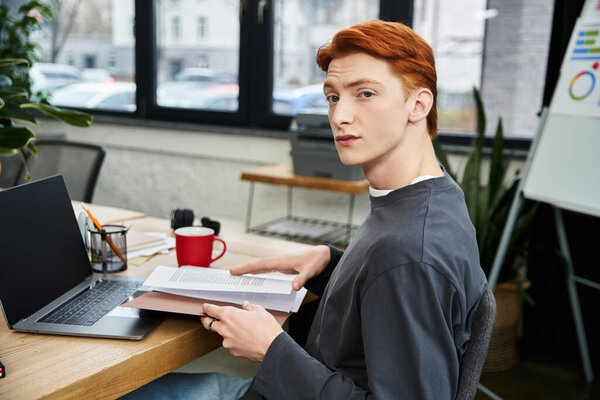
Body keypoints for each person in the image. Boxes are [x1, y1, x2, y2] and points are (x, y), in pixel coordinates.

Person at [122, 19, 487, 400]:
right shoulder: (431, 198)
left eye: (364, 94)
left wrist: (272, 350)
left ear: (419, 104)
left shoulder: (409, 252)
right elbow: (392, 301)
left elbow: (405, 273)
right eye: (333, 97)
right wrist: (333, 264)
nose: (339, 116)